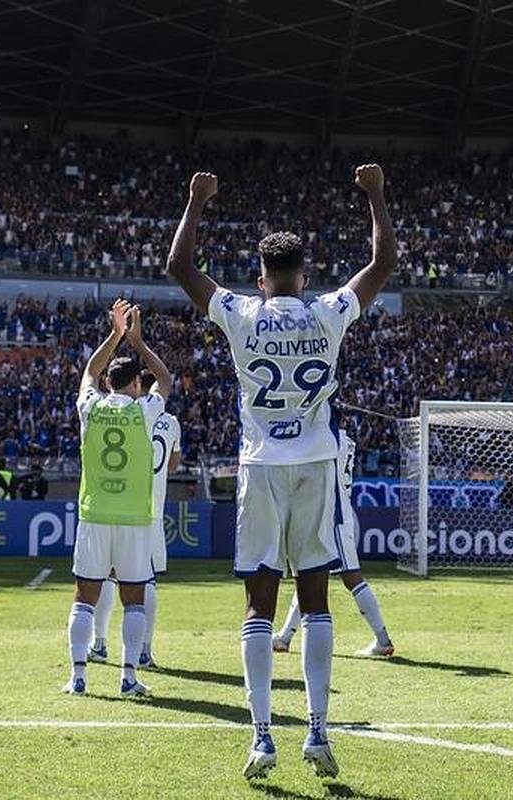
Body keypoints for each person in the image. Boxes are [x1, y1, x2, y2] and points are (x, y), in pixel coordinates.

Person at [166, 163, 395, 779]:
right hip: (318, 465)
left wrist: (197, 201)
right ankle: (318, 733)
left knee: (258, 605)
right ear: (306, 275)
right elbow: (382, 265)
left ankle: (263, 737)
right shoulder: (327, 313)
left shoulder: (242, 313)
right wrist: (374, 194)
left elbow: (180, 268)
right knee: (316, 600)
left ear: (261, 277)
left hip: (261, 466)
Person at [63, 300, 172, 699]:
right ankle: (128, 677)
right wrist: (138, 342)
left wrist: (115, 334)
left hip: (94, 516)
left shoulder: (89, 408)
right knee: (134, 600)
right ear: (136, 385)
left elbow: (90, 371)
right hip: (133, 520)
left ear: (109, 384)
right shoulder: (145, 412)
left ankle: (78, 677)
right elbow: (167, 378)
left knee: (85, 598)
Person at [273, 429, 395, 658]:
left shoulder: (324, 437)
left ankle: (382, 639)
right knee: (310, 572)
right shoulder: (344, 439)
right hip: (333, 512)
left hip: (332, 514)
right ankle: (285, 637)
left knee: (351, 577)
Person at [88, 370, 181, 668]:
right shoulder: (170, 422)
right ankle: (144, 650)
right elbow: (174, 466)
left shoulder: (124, 415)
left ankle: (99, 643)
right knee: (147, 580)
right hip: (151, 509)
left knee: (108, 575)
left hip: (122, 502)